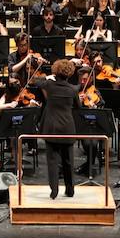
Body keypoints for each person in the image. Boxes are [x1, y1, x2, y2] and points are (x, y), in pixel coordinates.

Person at [38, 58, 79, 199]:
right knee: (68, 161)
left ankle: (54, 191)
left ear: (55, 71)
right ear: (69, 73)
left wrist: (48, 77)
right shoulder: (73, 89)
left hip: (52, 128)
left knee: (52, 161)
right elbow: (78, 107)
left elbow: (36, 81)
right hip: (67, 128)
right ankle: (70, 190)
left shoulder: (49, 85)